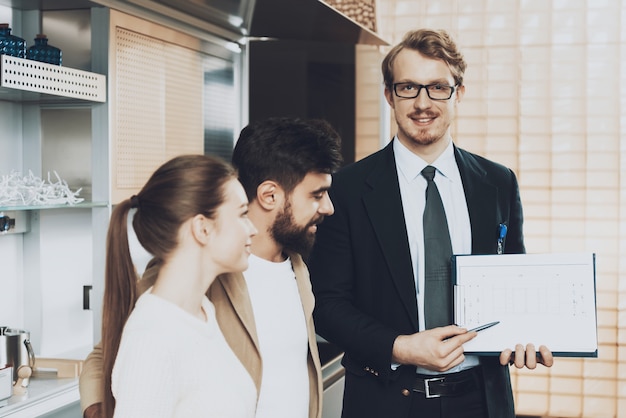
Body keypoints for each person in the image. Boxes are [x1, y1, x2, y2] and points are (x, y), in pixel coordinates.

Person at [308, 28, 554, 418]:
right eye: (408, 87)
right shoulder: (346, 189)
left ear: (458, 93)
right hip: (385, 399)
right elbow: (327, 304)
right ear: (389, 95)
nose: (423, 102)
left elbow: (514, 280)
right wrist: (399, 346)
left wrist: (524, 334)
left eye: (438, 87)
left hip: (483, 399)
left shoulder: (498, 181)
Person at [79, 117, 343, 418]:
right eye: (317, 194)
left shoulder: (297, 268)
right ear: (269, 195)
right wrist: (101, 409)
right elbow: (117, 350)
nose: (328, 207)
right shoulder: (195, 277)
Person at [99, 154, 258, 417]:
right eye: (242, 214)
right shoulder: (152, 339)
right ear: (202, 229)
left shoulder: (203, 312)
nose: (252, 229)